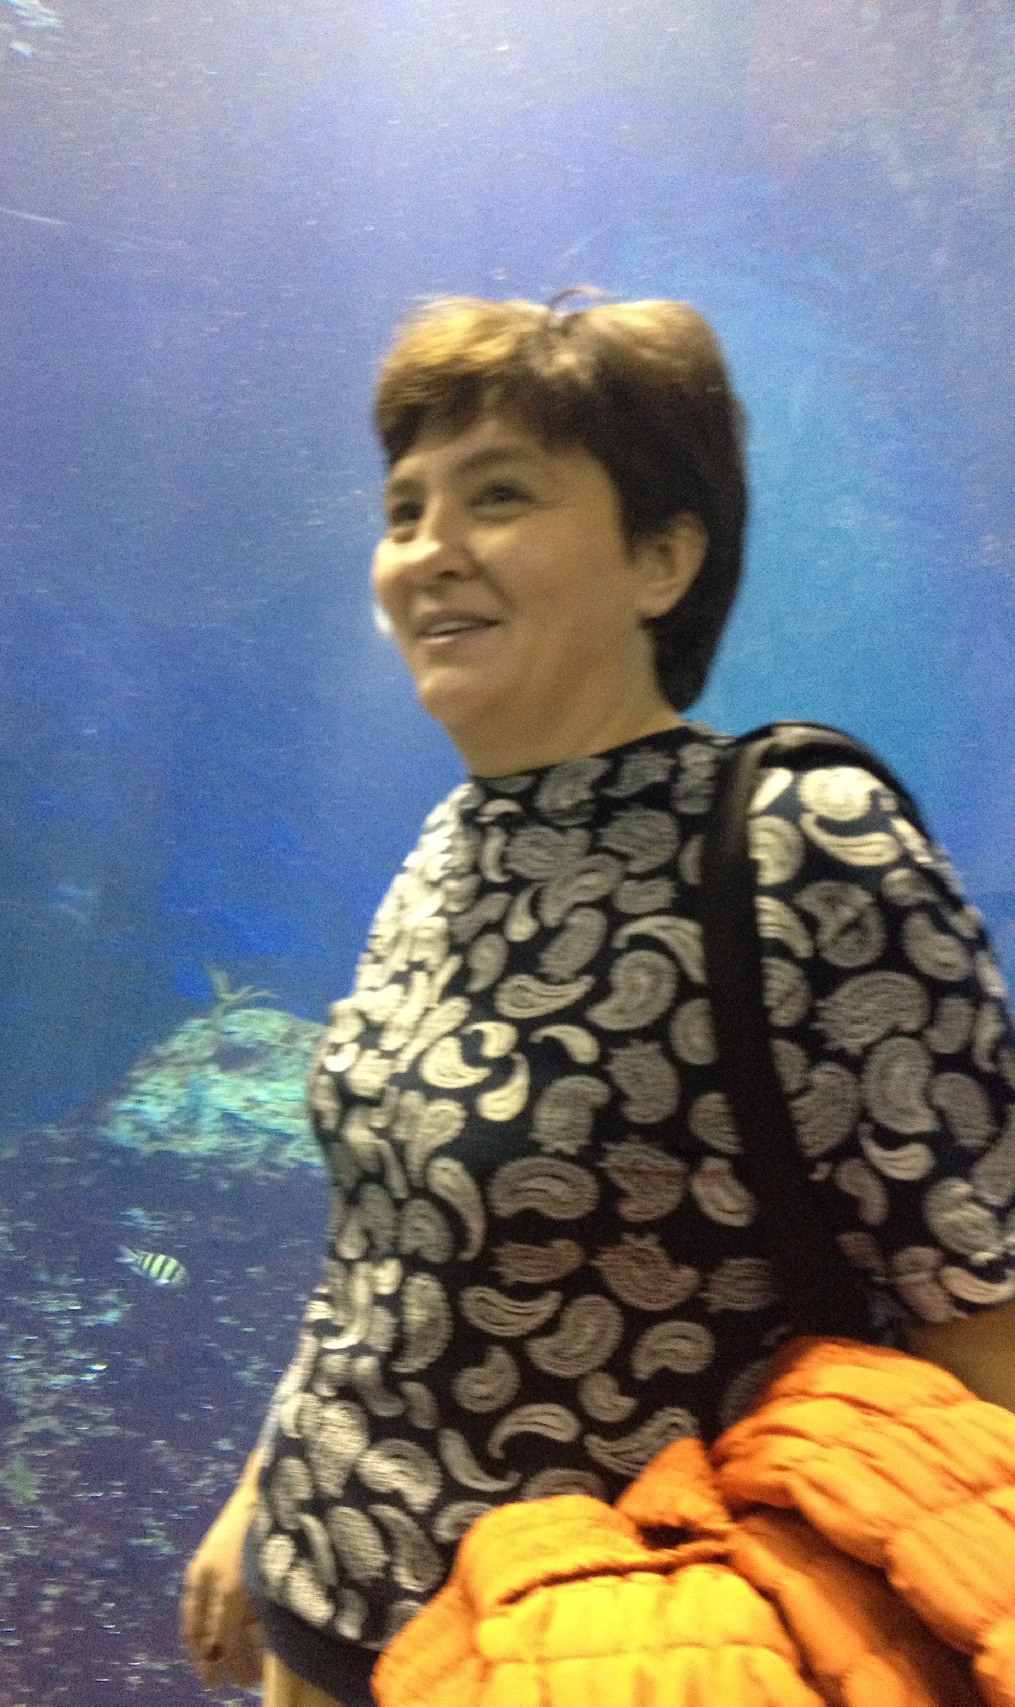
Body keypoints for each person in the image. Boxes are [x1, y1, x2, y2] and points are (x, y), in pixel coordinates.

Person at [181, 293, 1015, 1707]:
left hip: (603, 1666)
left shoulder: (799, 842)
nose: (430, 549)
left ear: (663, 558)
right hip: (325, 1626)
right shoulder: (446, 845)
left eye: (499, 496)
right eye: (404, 510)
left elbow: (980, 1320)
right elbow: (384, 1255)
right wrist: (264, 1494)